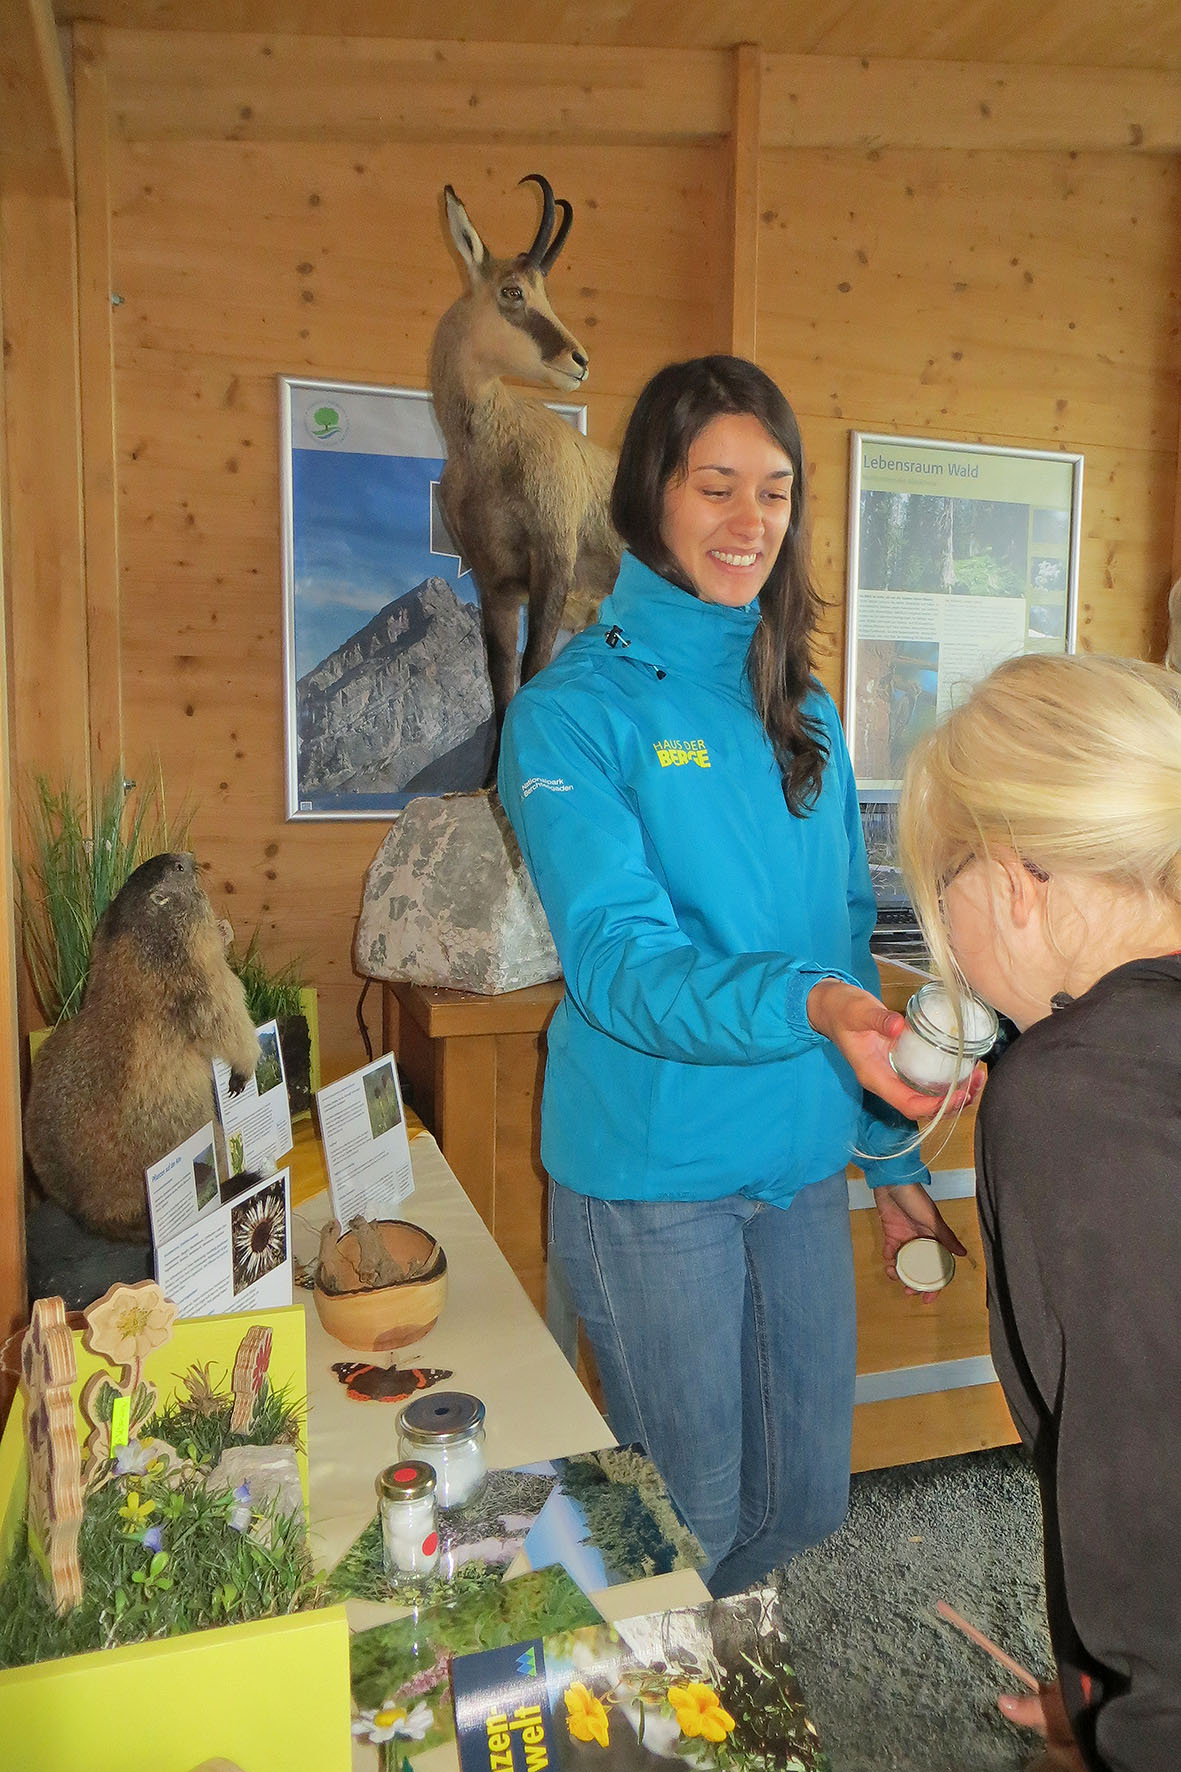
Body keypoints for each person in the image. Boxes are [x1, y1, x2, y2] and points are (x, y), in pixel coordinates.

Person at [497, 354, 966, 1597]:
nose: (748, 521)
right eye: (715, 486)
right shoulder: (569, 713)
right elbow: (617, 964)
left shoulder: (797, 700)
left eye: (773, 490)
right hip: (652, 1174)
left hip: (800, 1152)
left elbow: (844, 923)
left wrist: (893, 1154)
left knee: (804, 1502)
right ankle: (580, 1664)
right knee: (683, 1520)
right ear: (652, 492)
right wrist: (811, 1003)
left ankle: (640, 1653)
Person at [897, 651, 1181, 1772]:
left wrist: (1129, 1733)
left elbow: (1149, 1505)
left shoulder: (1071, 1091)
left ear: (1012, 878)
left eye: (942, 892)